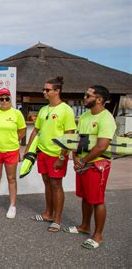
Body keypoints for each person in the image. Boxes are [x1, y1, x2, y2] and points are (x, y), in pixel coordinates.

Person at [63, 85, 116, 250]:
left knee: (97, 200)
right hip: (84, 162)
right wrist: (75, 157)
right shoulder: (85, 116)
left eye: (88, 95)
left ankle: (98, 236)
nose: (84, 97)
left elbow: (101, 146)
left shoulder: (106, 118)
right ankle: (84, 226)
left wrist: (83, 160)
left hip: (97, 164)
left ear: (99, 99)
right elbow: (79, 139)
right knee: (86, 197)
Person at [25, 76, 76, 232]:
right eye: (44, 89)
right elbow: (36, 130)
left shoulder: (66, 110)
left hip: (56, 154)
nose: (44, 92)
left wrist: (62, 156)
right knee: (47, 182)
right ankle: (48, 213)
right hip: (43, 153)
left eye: (47, 90)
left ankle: (57, 219)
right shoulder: (43, 109)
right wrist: (28, 149)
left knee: (56, 185)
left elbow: (70, 134)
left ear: (57, 91)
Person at [0, 88, 26, 218]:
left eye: (7, 98)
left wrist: (12, 140)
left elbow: (22, 131)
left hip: (11, 150)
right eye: (1, 99)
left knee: (11, 178)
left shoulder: (17, 113)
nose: (4, 101)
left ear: (10, 99)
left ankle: (12, 205)